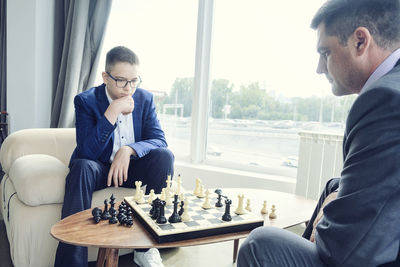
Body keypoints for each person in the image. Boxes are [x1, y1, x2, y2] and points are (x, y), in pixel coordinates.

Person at [237, 0, 400, 266]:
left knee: (261, 244)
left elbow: (346, 250)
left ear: (360, 41)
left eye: (325, 53)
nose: (320, 68)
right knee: (333, 187)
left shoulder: (385, 99)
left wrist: (324, 232)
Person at [54, 46, 173, 267]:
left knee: (164, 157)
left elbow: (159, 140)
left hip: (131, 168)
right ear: (105, 77)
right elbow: (87, 151)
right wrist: (112, 111)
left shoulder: (145, 99)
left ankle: (145, 249)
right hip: (99, 169)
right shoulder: (85, 101)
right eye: (121, 81)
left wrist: (128, 150)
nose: (129, 89)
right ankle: (72, 262)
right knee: (81, 167)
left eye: (134, 81)